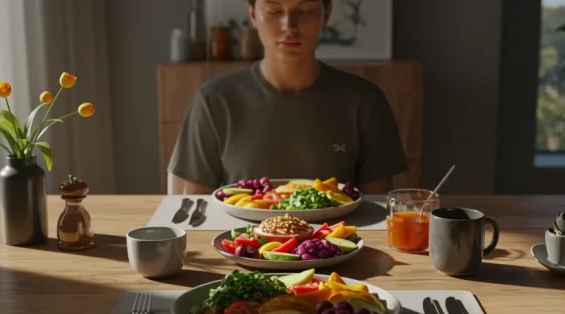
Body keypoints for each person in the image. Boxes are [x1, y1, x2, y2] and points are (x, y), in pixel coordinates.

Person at [168, 0, 408, 194]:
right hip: (241, 247)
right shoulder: (214, 100)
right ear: (252, 13)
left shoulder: (365, 102)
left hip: (337, 247)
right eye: (274, 10)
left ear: (326, 14)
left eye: (305, 10)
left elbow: (379, 212)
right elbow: (195, 211)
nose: (289, 26)